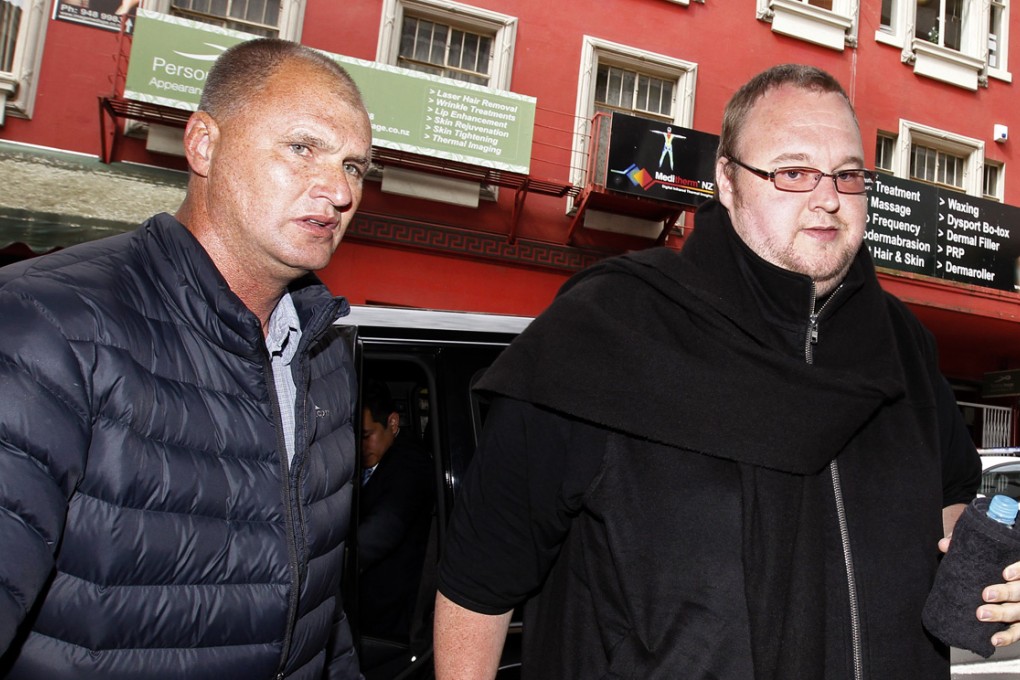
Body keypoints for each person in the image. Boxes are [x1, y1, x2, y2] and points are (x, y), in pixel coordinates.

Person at [433, 64, 1020, 679]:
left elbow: (949, 508)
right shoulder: (609, 328)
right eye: (793, 172)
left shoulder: (905, 346)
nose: (828, 198)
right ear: (727, 181)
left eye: (848, 175)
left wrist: (995, 579)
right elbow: (480, 578)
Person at [0, 38, 372, 679]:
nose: (338, 190)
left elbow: (316, 606)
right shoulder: (50, 326)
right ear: (202, 144)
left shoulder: (329, 354)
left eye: (357, 167)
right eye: (302, 147)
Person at [356, 379, 434, 643]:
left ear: (392, 423)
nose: (362, 446)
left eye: (367, 436)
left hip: (391, 615)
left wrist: (339, 560)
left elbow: (385, 526)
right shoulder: (374, 461)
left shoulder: (409, 463)